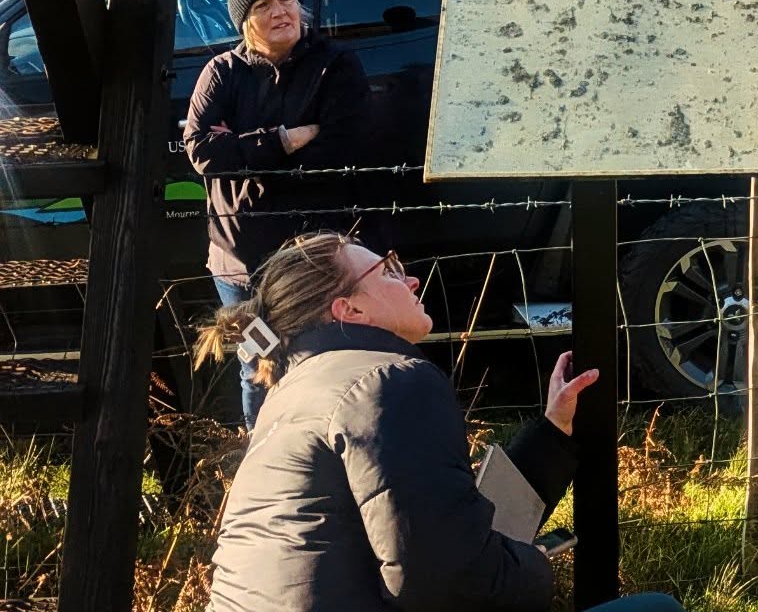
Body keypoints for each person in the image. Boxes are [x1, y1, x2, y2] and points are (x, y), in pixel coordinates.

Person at [198, 233, 683, 612]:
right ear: (350, 309)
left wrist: (553, 432)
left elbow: (434, 525)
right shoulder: (386, 382)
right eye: (388, 271)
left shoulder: (286, 400)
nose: (411, 281)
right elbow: (448, 583)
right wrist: (537, 566)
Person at [183, 0, 375, 428]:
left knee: (323, 363)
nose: (279, 12)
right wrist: (285, 139)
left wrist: (240, 148)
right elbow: (201, 152)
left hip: (315, 260)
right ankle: (263, 459)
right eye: (262, 5)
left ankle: (320, 458)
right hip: (242, 265)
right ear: (245, 21)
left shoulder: (335, 66)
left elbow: (342, 147)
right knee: (258, 367)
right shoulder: (221, 73)